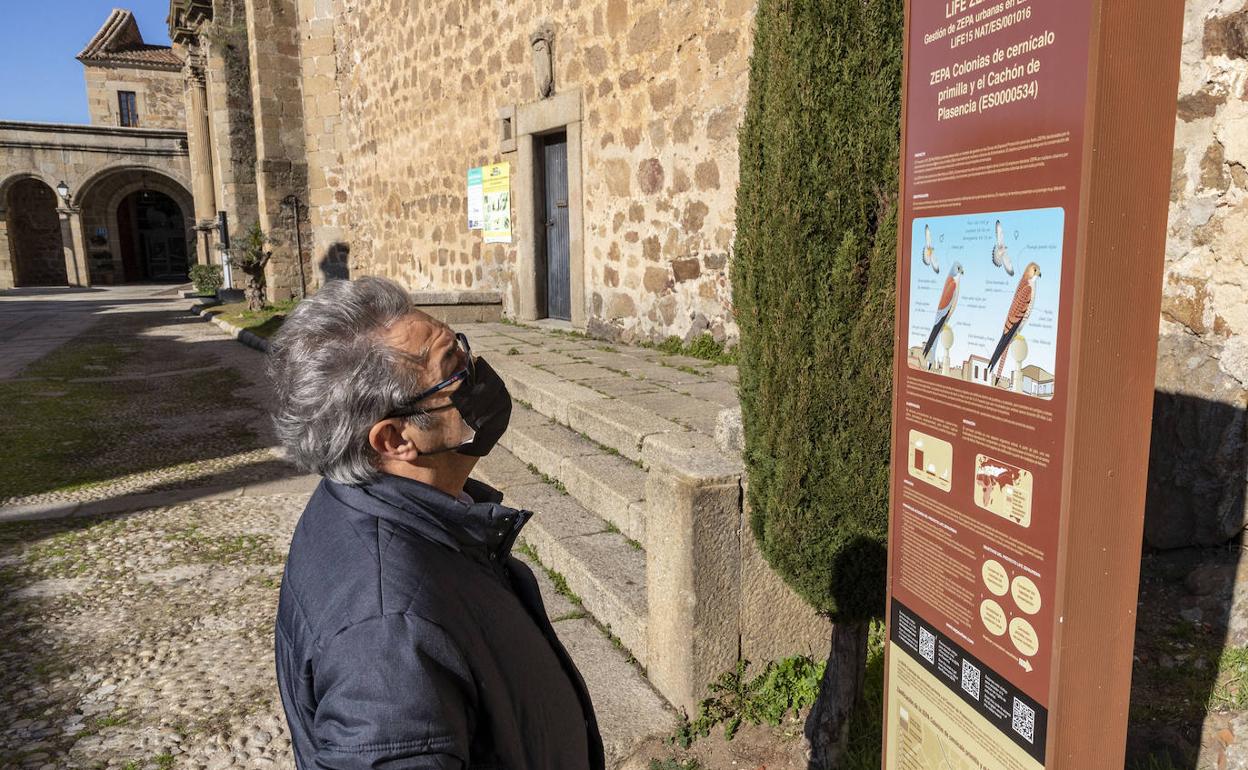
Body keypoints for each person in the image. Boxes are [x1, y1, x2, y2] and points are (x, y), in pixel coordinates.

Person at [268, 277, 604, 769]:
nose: (476, 371)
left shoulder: (361, 504)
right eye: (454, 371)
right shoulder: (386, 636)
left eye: (461, 347)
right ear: (394, 440)